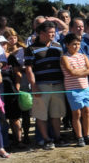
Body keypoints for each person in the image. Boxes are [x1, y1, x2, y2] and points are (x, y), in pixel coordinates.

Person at [24, 21, 66, 150]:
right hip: (42, 85)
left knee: (56, 114)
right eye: (50, 32)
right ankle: (47, 139)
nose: (53, 35)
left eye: (54, 32)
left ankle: (57, 138)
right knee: (41, 115)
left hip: (58, 84)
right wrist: (34, 85)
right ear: (41, 33)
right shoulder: (31, 48)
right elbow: (29, 69)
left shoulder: (58, 46)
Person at [60, 33, 89, 147]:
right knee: (77, 114)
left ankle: (87, 135)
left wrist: (79, 71)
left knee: (87, 112)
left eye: (78, 44)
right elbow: (71, 72)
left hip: (85, 88)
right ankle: (79, 137)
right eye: (74, 44)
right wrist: (83, 70)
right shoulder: (65, 57)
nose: (76, 46)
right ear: (67, 45)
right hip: (73, 89)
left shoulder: (83, 56)